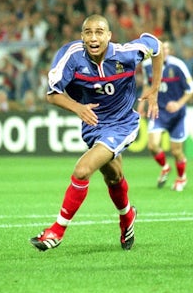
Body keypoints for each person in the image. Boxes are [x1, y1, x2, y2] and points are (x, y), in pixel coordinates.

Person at [30, 14, 163, 252]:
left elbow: (156, 45)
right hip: (93, 126)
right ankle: (127, 216)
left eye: (99, 32)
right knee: (113, 176)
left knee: (82, 170)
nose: (93, 37)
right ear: (82, 36)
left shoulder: (126, 53)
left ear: (109, 36)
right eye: (88, 32)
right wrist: (78, 107)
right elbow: (52, 94)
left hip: (123, 123)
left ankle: (57, 231)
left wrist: (154, 89)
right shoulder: (70, 57)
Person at [142, 41, 193, 192]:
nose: (164, 51)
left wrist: (179, 104)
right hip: (158, 112)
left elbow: (191, 89)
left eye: (166, 48)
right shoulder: (147, 65)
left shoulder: (178, 65)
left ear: (170, 50)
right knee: (153, 146)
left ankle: (181, 178)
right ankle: (165, 168)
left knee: (176, 151)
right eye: (161, 49)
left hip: (177, 114)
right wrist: (142, 103)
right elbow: (148, 85)